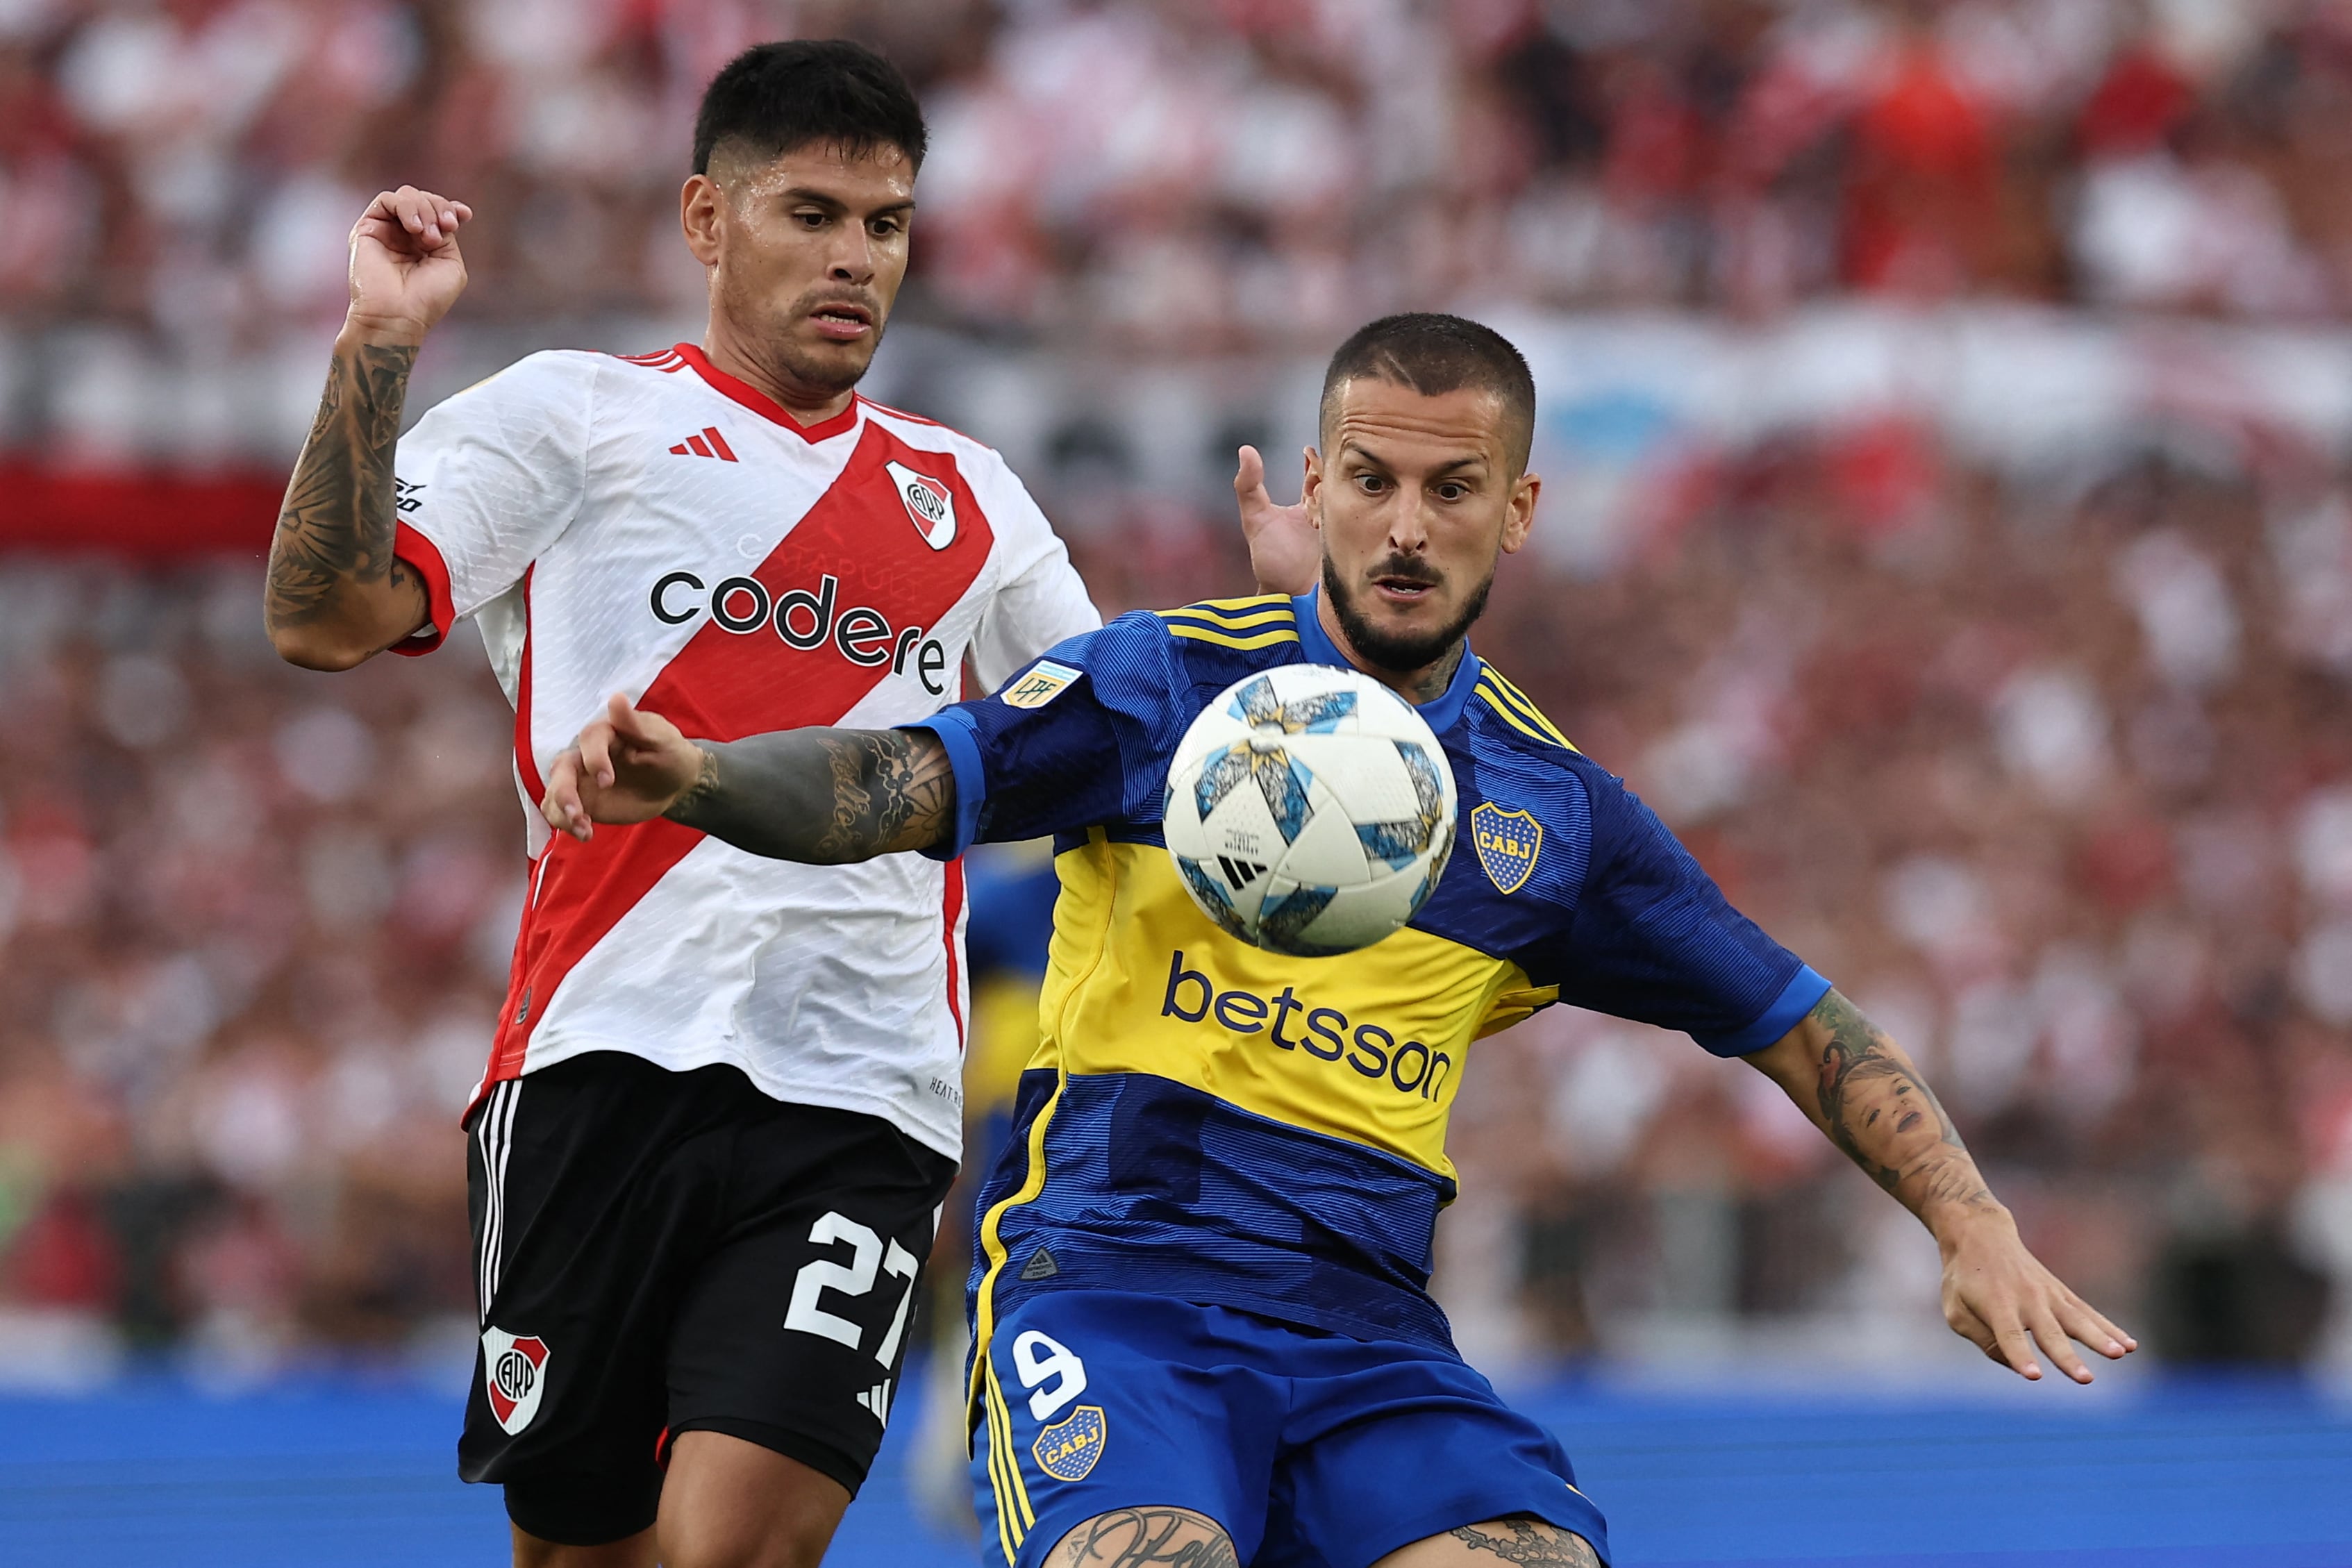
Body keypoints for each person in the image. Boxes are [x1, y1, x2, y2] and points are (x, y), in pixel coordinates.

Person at [536, 313, 2135, 1568]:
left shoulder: (1554, 818)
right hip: (1114, 1297)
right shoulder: (1159, 686)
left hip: (1363, 1338)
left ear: (1516, 509)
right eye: (1365, 479)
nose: (1401, 525)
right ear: (1313, 483)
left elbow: (1799, 1022)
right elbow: (900, 778)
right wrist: (703, 774)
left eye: (1449, 491)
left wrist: (1970, 1222)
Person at [261, 39, 1099, 1568]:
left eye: (887, 223)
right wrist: (378, 344)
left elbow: (1108, 738)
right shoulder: (572, 418)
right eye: (812, 213)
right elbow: (323, 614)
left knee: (735, 1553)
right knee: (586, 1549)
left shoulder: (969, 491)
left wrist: (1267, 635)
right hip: (597, 1060)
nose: (855, 257)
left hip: (863, 1092)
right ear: (706, 220)